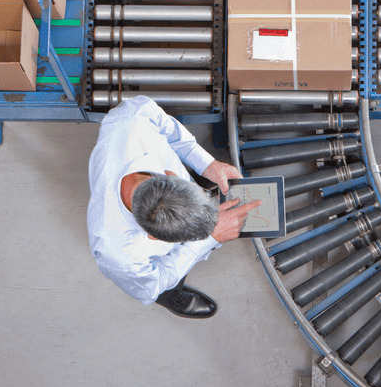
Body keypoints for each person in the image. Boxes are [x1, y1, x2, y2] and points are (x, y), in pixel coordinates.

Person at [87, 96, 262, 319]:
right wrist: (211, 239)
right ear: (153, 238)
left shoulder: (134, 117)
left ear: (169, 175)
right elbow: (150, 283)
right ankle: (171, 293)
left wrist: (207, 164)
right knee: (160, 284)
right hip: (152, 275)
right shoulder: (120, 255)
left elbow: (167, 128)